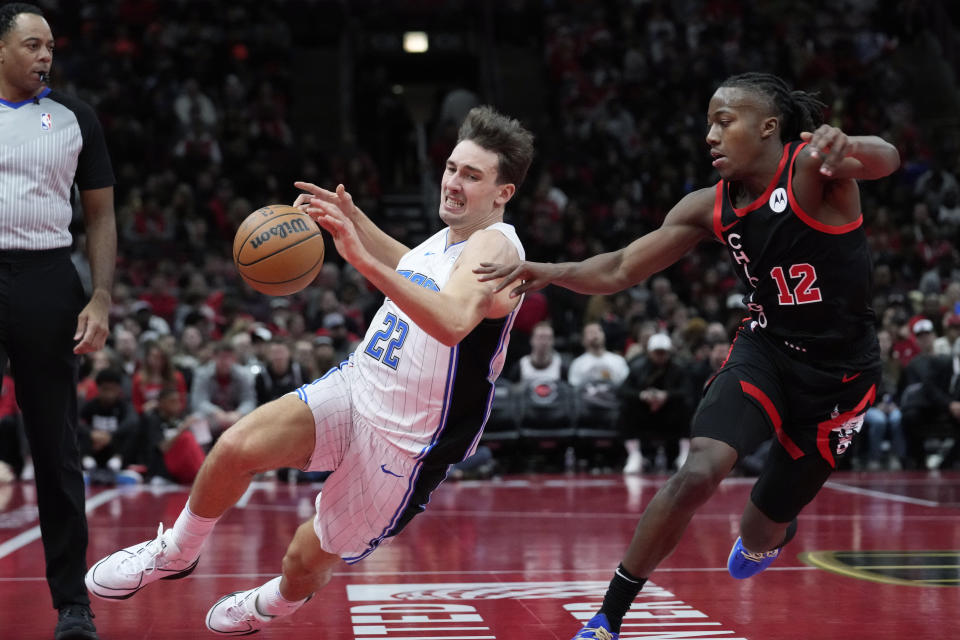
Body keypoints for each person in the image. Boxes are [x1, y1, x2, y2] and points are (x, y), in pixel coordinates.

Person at [476, 72, 900, 639]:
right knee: (700, 468)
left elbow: (887, 158)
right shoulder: (708, 207)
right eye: (708, 123)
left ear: (769, 127)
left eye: (724, 121)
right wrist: (548, 271)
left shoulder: (812, 168)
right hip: (766, 350)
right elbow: (623, 266)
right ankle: (608, 616)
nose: (710, 135)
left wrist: (849, 144)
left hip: (841, 376)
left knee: (758, 532)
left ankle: (774, 530)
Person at [85, 105, 534, 635]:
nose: (454, 183)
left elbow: (455, 320)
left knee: (305, 558)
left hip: (407, 442)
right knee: (235, 448)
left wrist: (358, 258)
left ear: (503, 192)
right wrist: (354, 219)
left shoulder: (498, 247)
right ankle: (176, 551)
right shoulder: (450, 236)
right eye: (453, 168)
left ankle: (272, 605)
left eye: (472, 176)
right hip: (358, 385)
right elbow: (412, 267)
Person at [0, 4, 116, 639]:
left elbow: (99, 215)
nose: (45, 56)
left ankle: (73, 604)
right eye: (32, 45)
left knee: (56, 446)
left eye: (50, 46)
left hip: (48, 277)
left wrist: (99, 298)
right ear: (0, 51)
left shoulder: (75, 118)